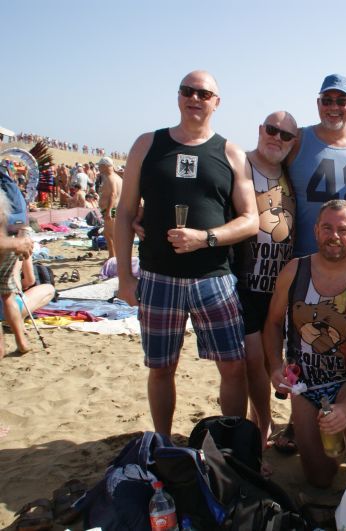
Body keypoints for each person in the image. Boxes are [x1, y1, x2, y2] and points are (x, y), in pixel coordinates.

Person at [115, 70, 259, 437]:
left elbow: (250, 220)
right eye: (187, 91)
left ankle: (230, 445)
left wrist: (204, 238)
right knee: (161, 367)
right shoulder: (147, 145)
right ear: (179, 96)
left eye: (204, 93)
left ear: (216, 102)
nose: (195, 98)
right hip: (158, 275)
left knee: (233, 366)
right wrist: (125, 278)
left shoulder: (230, 152)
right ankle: (164, 442)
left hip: (214, 277)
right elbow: (125, 213)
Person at [264, 199, 346, 487]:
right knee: (319, 479)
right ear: (316, 230)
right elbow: (273, 323)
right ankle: (322, 437)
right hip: (305, 387)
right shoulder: (295, 271)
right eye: (327, 228)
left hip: (345, 383)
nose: (334, 236)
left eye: (343, 230)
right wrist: (275, 367)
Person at [235, 110, 298, 449]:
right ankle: (262, 426)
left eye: (286, 135)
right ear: (261, 130)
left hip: (280, 286)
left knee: (274, 359)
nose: (277, 138)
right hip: (245, 282)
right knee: (253, 361)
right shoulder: (239, 164)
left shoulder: (292, 172)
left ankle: (267, 421)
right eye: (272, 130)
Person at [286, 74, 346, 266]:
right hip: (304, 267)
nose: (333, 107)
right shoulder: (298, 140)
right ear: (318, 103)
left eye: (341, 101)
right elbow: (263, 165)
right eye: (327, 101)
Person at [0, 194, 34, 359]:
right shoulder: (4, 193)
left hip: (7, 244)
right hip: (11, 243)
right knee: (8, 295)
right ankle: (21, 341)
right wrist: (19, 241)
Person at [97, 156, 123, 258]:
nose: (99, 168)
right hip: (114, 208)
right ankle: (113, 256)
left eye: (100, 166)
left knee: (110, 234)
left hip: (111, 209)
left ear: (105, 166)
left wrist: (108, 211)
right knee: (110, 234)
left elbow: (113, 194)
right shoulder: (116, 177)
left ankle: (113, 257)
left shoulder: (110, 177)